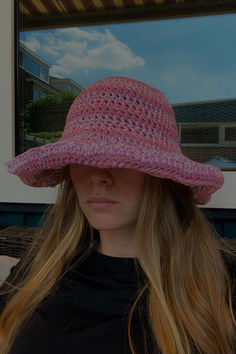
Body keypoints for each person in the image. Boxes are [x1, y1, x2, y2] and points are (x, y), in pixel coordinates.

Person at [0, 76, 235, 354]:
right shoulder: (37, 271)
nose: (99, 176)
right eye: (84, 159)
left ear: (161, 178)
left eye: (122, 160)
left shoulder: (220, 285)